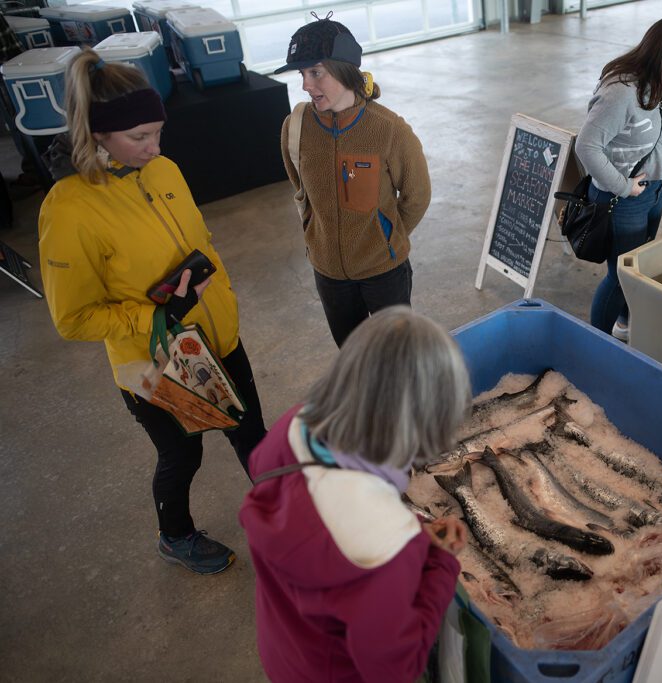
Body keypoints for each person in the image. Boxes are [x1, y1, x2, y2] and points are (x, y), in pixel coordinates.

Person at [38, 49, 266, 575]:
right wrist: (155, 318)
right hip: (153, 362)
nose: (154, 147)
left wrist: (216, 300)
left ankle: (290, 519)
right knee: (182, 456)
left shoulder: (162, 168)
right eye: (139, 137)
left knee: (252, 432)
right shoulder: (69, 209)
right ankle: (176, 535)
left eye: (158, 132)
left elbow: (200, 242)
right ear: (98, 133)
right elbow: (73, 318)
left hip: (218, 339)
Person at [239, 306, 471, 682]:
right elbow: (395, 669)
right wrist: (441, 564)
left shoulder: (291, 429)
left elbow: (320, 517)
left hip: (284, 644)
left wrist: (413, 530)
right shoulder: (382, 549)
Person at [277, 14, 431, 347]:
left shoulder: (389, 130)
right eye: (302, 74)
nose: (306, 84)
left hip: (383, 273)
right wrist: (316, 237)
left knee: (397, 356)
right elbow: (299, 186)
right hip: (328, 274)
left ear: (344, 69)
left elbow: (417, 196)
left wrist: (385, 238)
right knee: (353, 357)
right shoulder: (295, 127)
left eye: (315, 72)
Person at [575, 15, 662, 340]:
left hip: (653, 189)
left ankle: (627, 322)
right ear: (658, 56)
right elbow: (587, 146)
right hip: (623, 197)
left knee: (637, 268)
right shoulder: (620, 92)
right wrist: (623, 186)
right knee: (620, 276)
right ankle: (598, 341)